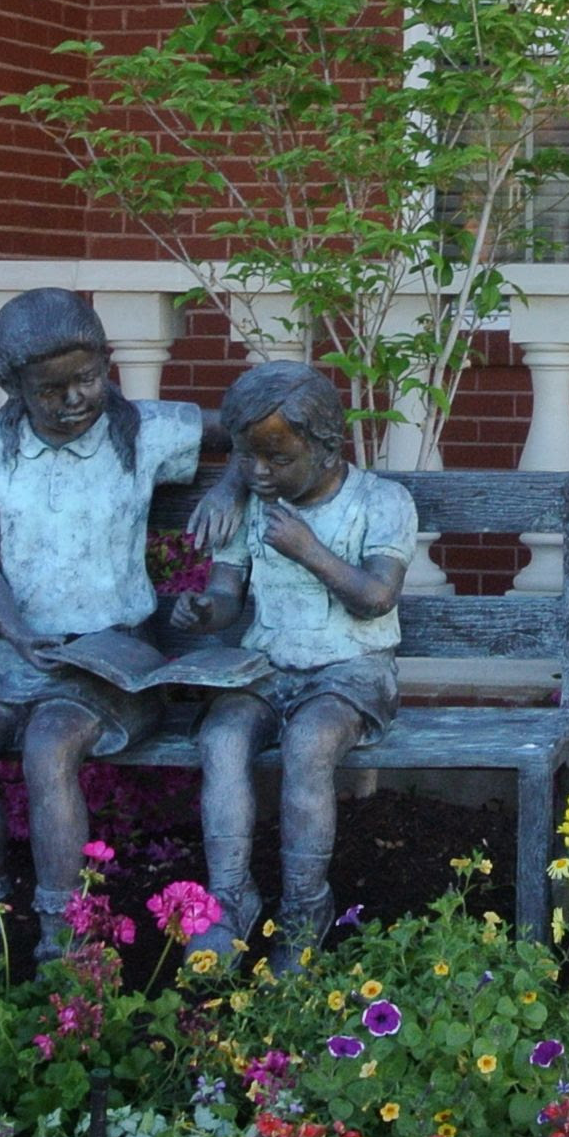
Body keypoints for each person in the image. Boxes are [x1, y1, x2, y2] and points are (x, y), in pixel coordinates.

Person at [0, 287, 239, 952]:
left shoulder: (144, 430)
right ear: (11, 387)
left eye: (87, 378)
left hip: (115, 653)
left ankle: (66, 938)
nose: (74, 399)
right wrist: (17, 631)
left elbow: (251, 423)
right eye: (50, 390)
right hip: (15, 650)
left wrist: (231, 487)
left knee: (50, 742)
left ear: (107, 362)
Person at [172, 358, 412, 970]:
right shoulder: (254, 501)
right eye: (247, 457)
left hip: (353, 669)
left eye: (277, 459)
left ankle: (306, 907)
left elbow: (376, 598)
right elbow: (227, 593)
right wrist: (206, 610)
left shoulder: (381, 502)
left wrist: (309, 550)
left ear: (327, 448)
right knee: (222, 738)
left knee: (308, 742)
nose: (258, 472)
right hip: (268, 666)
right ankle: (230, 899)